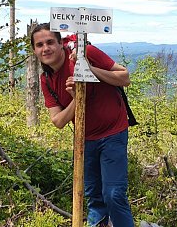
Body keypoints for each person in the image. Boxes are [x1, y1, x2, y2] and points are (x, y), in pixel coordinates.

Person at [31, 23, 134, 227]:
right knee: (94, 196)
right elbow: (58, 121)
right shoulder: (47, 79)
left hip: (113, 131)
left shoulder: (86, 52)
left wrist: (88, 70)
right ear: (34, 50)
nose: (46, 48)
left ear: (61, 43)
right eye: (39, 44)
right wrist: (77, 97)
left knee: (113, 194)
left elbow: (124, 77)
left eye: (50, 42)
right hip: (85, 139)